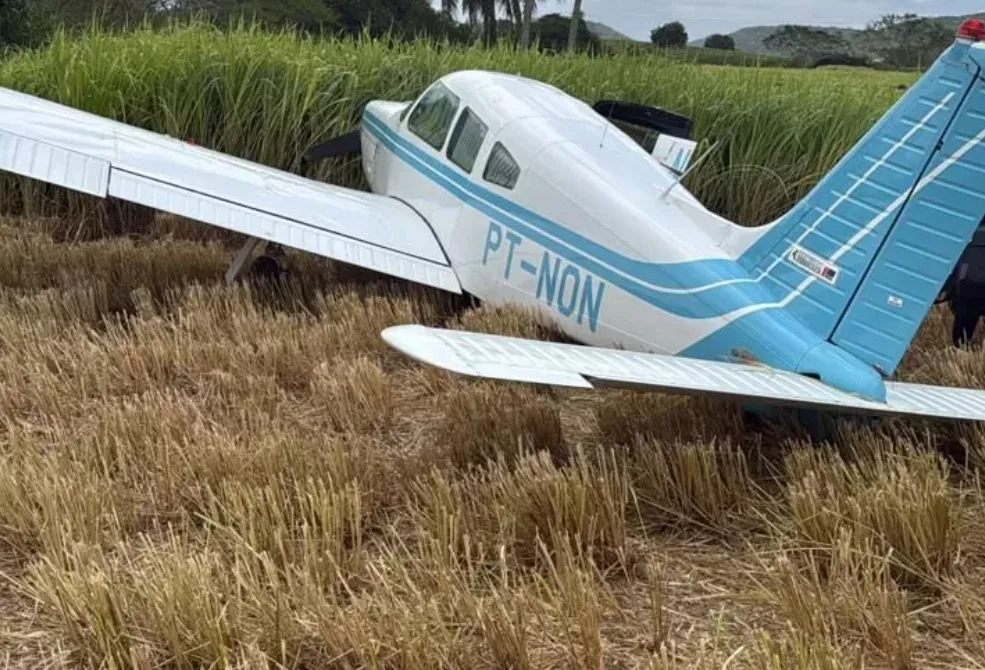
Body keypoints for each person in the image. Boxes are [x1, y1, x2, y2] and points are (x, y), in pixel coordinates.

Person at [942, 219, 985, 347]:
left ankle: (961, 348)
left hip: (968, 285)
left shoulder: (967, 222)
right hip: (971, 282)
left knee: (962, 334)